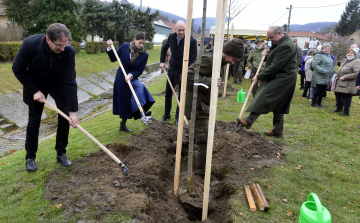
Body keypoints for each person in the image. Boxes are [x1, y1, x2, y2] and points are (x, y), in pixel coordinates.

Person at [12, 23, 79, 172]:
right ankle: (30, 157)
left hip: (57, 82)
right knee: (34, 120)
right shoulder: (30, 44)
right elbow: (17, 68)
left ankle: (61, 153)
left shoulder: (69, 52)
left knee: (65, 115)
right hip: (35, 83)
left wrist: (73, 113)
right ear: (48, 40)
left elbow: (70, 82)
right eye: (59, 45)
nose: (63, 48)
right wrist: (34, 90)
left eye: (65, 44)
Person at [183, 39, 244, 178]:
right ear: (227, 53)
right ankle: (202, 175)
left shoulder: (220, 60)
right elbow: (188, 76)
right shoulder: (210, 59)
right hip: (197, 105)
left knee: (209, 130)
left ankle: (180, 145)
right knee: (205, 138)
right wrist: (210, 82)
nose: (233, 62)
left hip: (205, 104)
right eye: (233, 59)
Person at [237, 26, 297, 138]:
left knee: (264, 96)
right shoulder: (282, 42)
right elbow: (276, 55)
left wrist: (259, 76)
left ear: (279, 33)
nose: (270, 40)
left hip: (284, 78)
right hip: (280, 75)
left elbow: (276, 65)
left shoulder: (287, 46)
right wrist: (268, 52)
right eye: (268, 38)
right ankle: (278, 131)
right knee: (279, 104)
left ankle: (249, 121)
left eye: (271, 37)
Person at [106, 32, 155, 132]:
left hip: (132, 78)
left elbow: (140, 71)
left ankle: (142, 112)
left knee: (140, 87)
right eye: (140, 42)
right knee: (125, 102)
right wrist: (110, 48)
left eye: (143, 43)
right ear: (135, 39)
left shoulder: (144, 55)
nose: (141, 45)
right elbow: (113, 58)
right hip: (121, 78)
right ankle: (123, 125)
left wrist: (131, 75)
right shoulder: (124, 47)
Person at [159, 20, 197, 126]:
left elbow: (193, 58)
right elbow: (164, 48)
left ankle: (177, 117)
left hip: (183, 71)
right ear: (175, 30)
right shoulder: (171, 37)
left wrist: (187, 70)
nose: (181, 32)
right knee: (168, 93)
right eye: (179, 30)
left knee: (181, 95)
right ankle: (166, 114)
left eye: (183, 30)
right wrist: (162, 61)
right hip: (172, 69)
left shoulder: (191, 41)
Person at [331, 49, 360, 116]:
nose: (349, 54)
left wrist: (345, 77)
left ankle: (346, 112)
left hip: (348, 83)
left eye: (352, 53)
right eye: (348, 53)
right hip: (339, 81)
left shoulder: (356, 62)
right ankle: (339, 108)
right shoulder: (346, 60)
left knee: (347, 97)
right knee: (338, 94)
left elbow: (357, 73)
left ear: (355, 54)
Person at [310, 43, 334, 108]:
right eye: (325, 48)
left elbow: (331, 65)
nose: (327, 50)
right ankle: (314, 102)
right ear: (322, 49)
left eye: (328, 49)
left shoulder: (328, 56)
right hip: (320, 75)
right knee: (318, 89)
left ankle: (319, 103)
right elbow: (314, 65)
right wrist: (322, 71)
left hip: (327, 76)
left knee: (323, 90)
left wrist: (332, 71)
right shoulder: (318, 55)